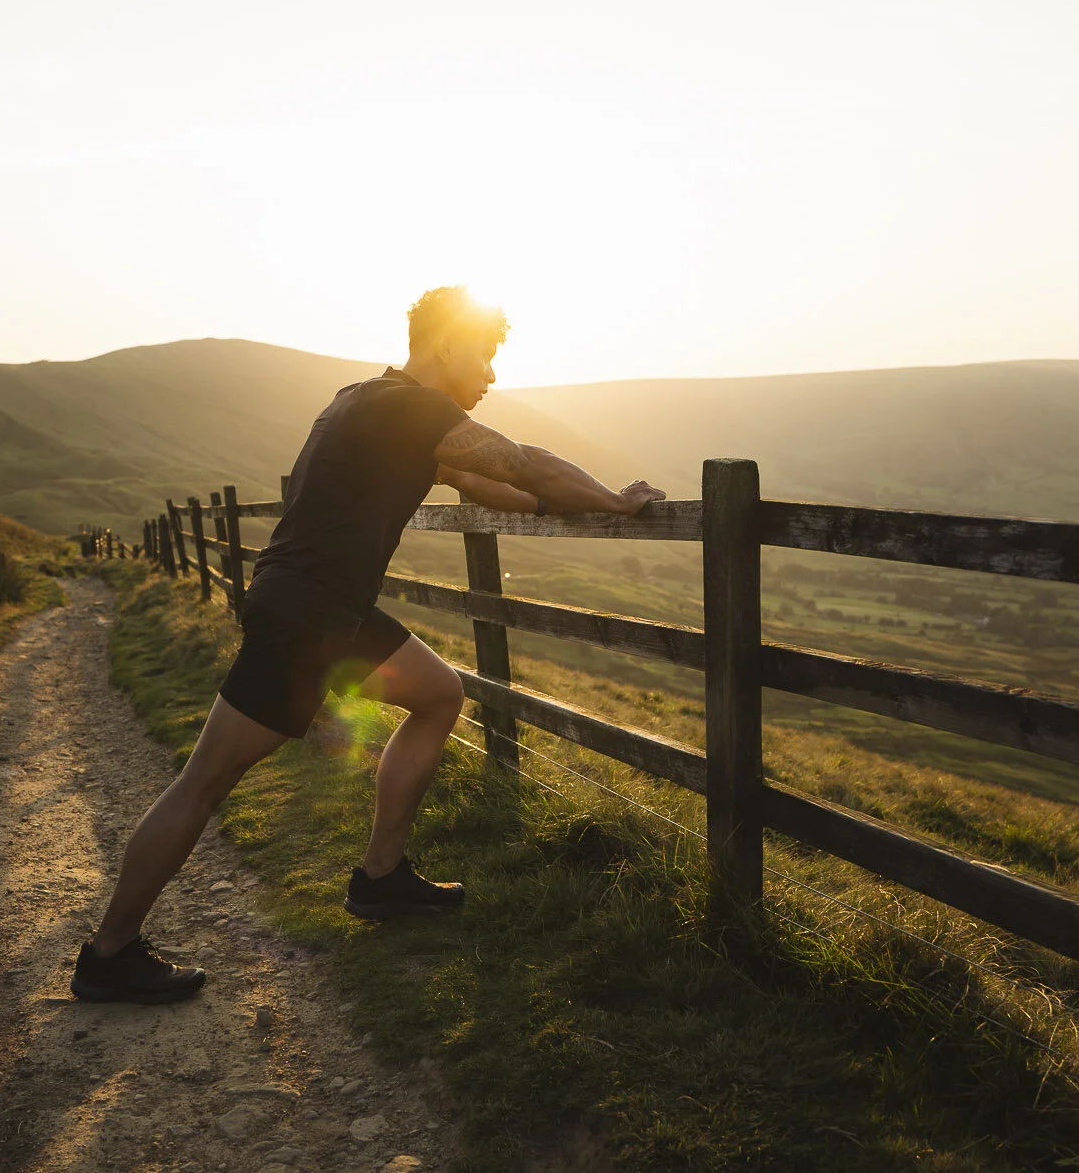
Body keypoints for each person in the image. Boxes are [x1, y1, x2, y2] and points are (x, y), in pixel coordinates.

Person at [71, 286, 666, 1003]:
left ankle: (381, 878)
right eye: (486, 353)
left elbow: (476, 475)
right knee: (205, 782)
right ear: (446, 344)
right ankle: (109, 953)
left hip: (328, 609)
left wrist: (545, 504)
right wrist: (612, 500)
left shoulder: (366, 400)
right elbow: (518, 460)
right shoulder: (412, 408)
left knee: (440, 692)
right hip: (306, 618)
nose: (491, 373)